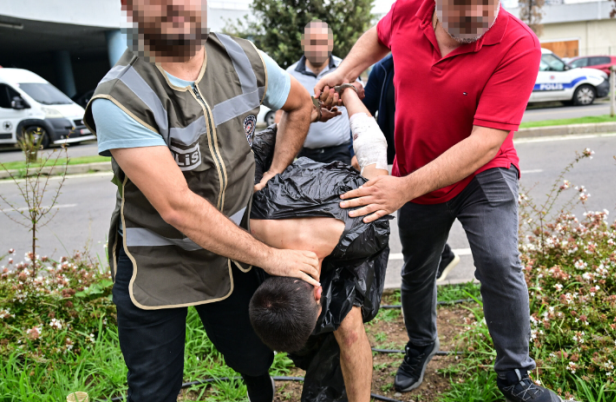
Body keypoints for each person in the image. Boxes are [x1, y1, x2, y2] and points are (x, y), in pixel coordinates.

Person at [82, 1, 339, 401]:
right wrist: (270, 258)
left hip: (231, 253)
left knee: (253, 356)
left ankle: (259, 384)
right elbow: (177, 206)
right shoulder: (119, 98)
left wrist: (275, 171)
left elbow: (300, 104)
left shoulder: (243, 58)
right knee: (153, 390)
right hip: (157, 263)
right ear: (129, 7)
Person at [314, 0, 567, 401]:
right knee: (417, 271)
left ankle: (515, 375)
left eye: (485, 10)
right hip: (417, 171)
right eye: (462, 10)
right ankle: (421, 344)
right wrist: (343, 73)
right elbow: (378, 38)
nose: (475, 20)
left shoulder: (518, 44)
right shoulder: (408, 10)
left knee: (500, 262)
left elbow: (485, 142)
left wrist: (402, 188)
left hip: (483, 171)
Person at [249, 83, 390, 402]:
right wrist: (305, 112)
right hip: (289, 210)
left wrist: (349, 93)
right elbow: (260, 142)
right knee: (303, 331)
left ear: (318, 291)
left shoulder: (363, 223)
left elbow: (372, 146)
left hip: (340, 217)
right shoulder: (246, 219)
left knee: (348, 323)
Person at [364, 54, 460, 283]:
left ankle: (443, 256)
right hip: (402, 156)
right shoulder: (383, 69)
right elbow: (366, 109)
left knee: (428, 212)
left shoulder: (435, 61)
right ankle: (442, 257)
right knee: (414, 219)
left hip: (438, 156)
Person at [283, 20, 355, 165]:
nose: (317, 48)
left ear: (331, 43)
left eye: (322, 42)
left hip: (341, 154)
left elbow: (360, 112)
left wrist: (358, 152)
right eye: (312, 42)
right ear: (303, 43)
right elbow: (281, 115)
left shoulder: (346, 70)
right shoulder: (289, 75)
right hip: (304, 156)